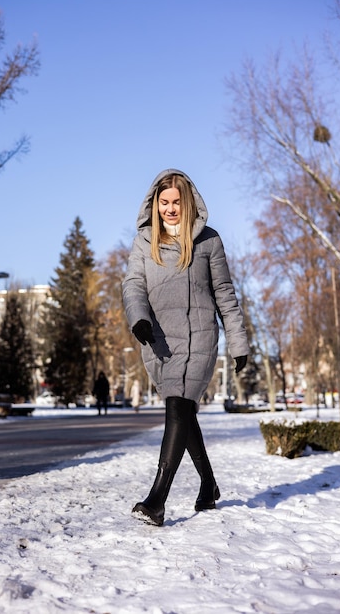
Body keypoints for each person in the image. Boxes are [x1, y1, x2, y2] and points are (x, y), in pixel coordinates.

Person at [122, 169, 249, 526]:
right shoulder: (143, 242)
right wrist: (139, 319)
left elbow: (224, 293)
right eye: (164, 202)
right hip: (159, 341)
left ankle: (156, 500)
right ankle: (208, 484)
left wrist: (238, 342)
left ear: (188, 202)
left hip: (199, 338)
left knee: (177, 406)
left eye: (177, 202)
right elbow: (133, 285)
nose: (171, 208)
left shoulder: (208, 241)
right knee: (183, 414)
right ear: (155, 203)